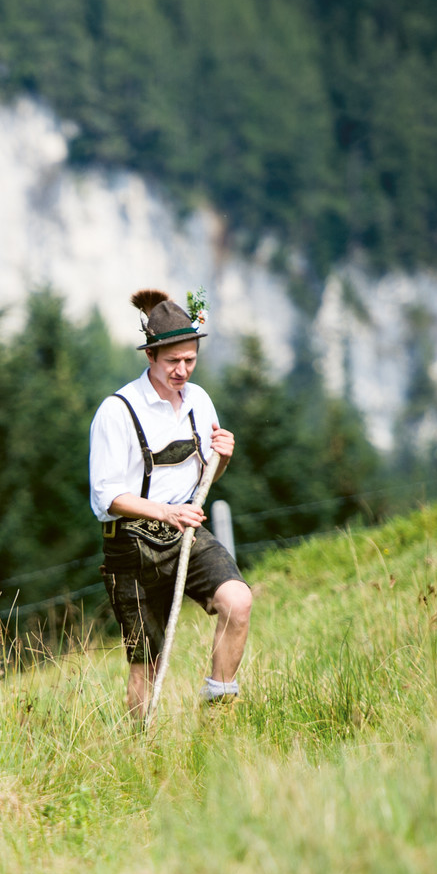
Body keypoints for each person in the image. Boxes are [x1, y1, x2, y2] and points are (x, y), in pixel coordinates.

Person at [89, 289, 252, 717]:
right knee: (147, 664)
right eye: (172, 362)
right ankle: (140, 750)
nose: (182, 371)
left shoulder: (199, 401)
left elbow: (205, 479)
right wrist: (165, 512)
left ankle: (217, 708)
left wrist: (223, 459)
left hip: (186, 532)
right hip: (131, 545)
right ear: (151, 356)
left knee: (238, 602)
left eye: (190, 360)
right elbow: (105, 496)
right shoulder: (117, 411)